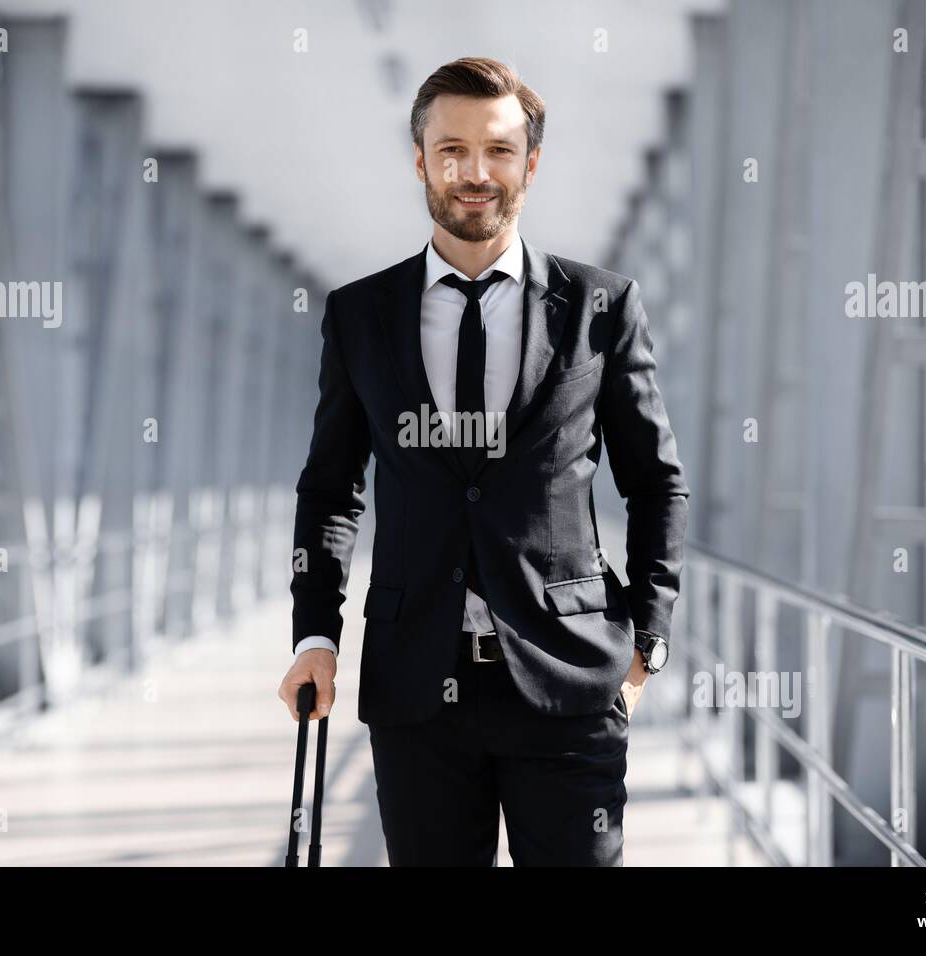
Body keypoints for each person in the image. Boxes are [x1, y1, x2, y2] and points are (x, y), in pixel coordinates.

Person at [278, 56, 689, 866]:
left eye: (499, 150)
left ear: (530, 164)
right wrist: (312, 635)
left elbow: (656, 482)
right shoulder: (361, 315)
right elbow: (331, 489)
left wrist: (648, 638)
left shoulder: (601, 309)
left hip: (569, 686)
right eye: (453, 150)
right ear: (421, 161)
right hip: (416, 694)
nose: (476, 173)